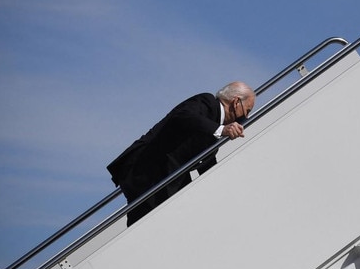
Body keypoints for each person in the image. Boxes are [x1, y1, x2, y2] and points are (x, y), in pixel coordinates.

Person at [106, 81, 256, 226]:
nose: (246, 117)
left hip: (163, 177)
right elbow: (183, 116)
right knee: (146, 227)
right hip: (147, 171)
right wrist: (221, 130)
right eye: (247, 111)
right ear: (236, 102)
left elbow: (205, 161)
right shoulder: (207, 102)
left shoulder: (215, 125)